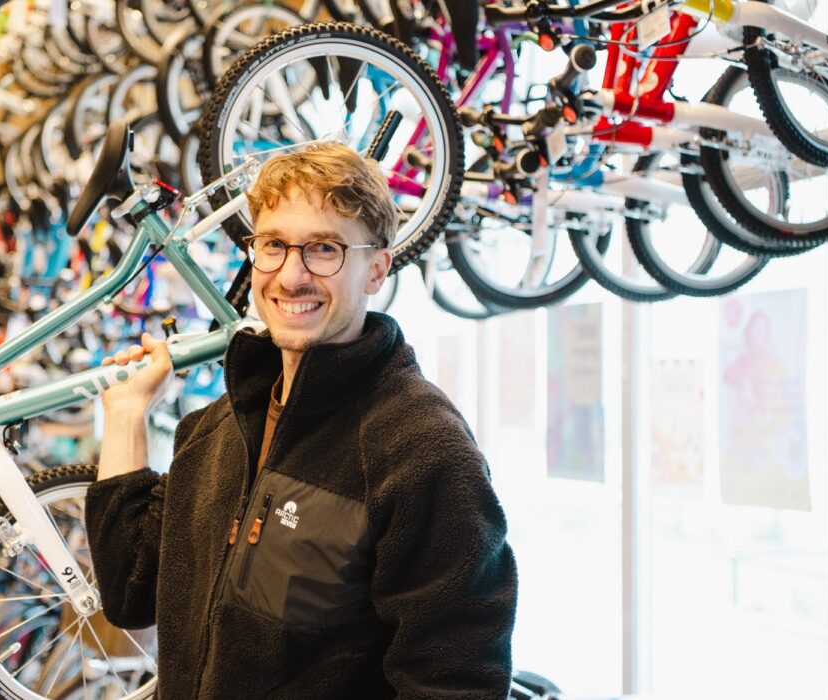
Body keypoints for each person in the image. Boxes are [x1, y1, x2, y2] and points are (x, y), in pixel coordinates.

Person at [85, 143, 518, 699]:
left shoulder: (420, 448)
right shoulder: (215, 431)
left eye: (324, 249)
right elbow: (129, 592)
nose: (291, 276)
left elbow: (455, 682)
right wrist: (125, 418)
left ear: (376, 270)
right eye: (273, 246)